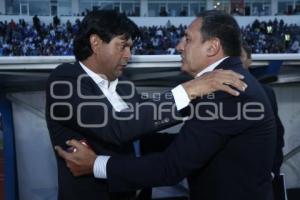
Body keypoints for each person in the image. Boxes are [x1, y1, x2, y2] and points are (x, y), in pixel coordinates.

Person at [56, 10, 277, 200]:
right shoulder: (66, 79)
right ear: (95, 43)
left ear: (212, 47)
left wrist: (97, 164)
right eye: (123, 46)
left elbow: (169, 163)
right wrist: (189, 90)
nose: (179, 46)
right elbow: (121, 127)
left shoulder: (226, 88)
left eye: (187, 39)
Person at [241, 42, 285, 200]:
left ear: (249, 62)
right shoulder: (214, 95)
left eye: (240, 57)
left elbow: (278, 134)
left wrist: (273, 170)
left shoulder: (267, 92)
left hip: (261, 183)